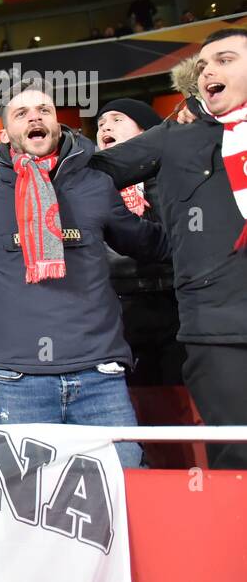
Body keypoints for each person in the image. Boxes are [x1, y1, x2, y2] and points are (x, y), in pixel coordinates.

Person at [0, 84, 167, 467]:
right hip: (17, 381)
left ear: (58, 123)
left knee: (125, 492)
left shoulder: (95, 182)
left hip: (100, 376)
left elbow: (149, 244)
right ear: (5, 134)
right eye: (21, 113)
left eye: (43, 109)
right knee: (21, 504)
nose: (34, 118)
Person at [84, 29, 247, 466]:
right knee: (238, 458)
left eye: (225, 60)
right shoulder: (175, 136)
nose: (209, 70)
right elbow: (94, 171)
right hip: (218, 328)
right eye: (203, 66)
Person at [95, 99, 185, 386]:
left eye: (117, 119)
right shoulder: (89, 184)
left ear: (147, 133)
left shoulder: (174, 175)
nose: (105, 126)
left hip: (177, 301)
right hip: (120, 308)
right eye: (100, 124)